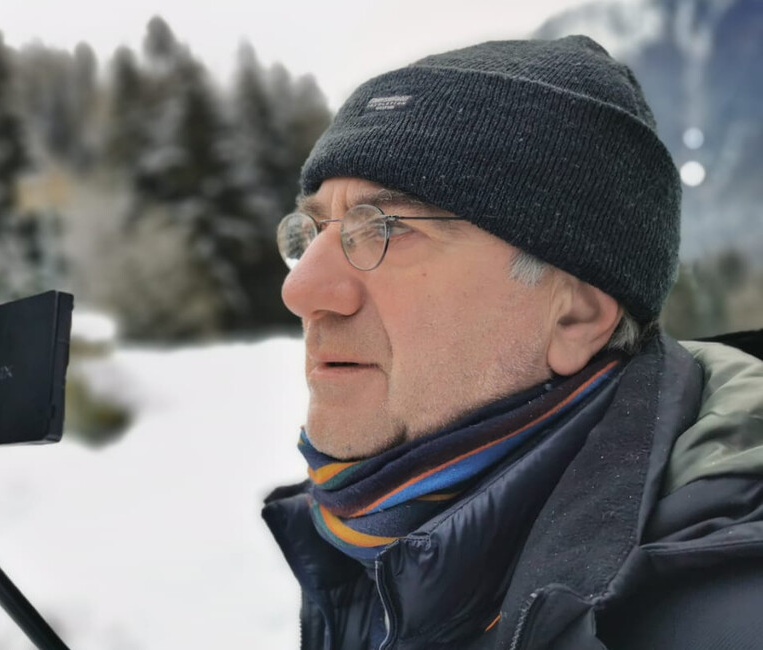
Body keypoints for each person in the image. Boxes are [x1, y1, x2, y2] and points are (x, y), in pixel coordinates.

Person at [262, 34, 763, 650]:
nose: (303, 289)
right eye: (312, 230)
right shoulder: (373, 537)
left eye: (386, 227)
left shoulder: (726, 608)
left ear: (575, 317)